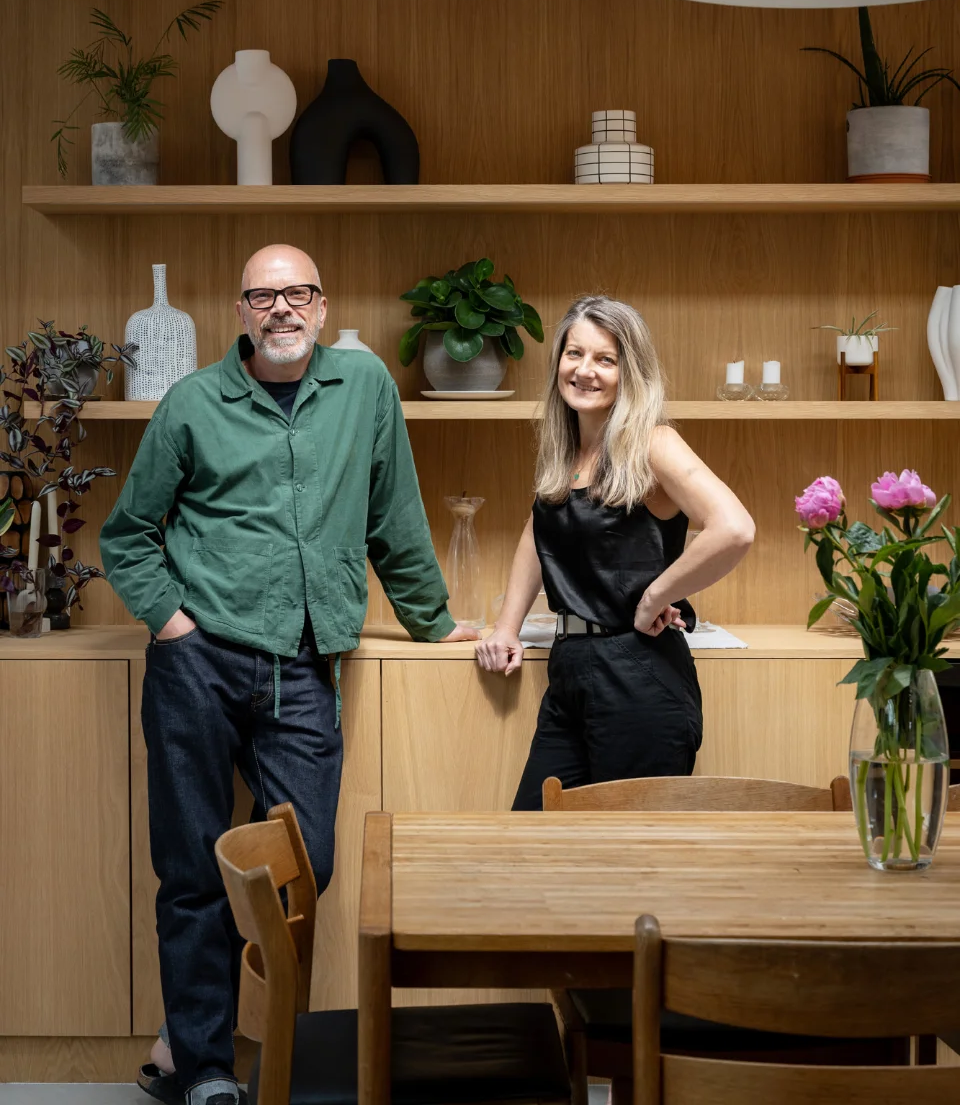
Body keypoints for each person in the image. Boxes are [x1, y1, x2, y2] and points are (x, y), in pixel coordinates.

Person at [101, 244, 477, 1105]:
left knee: (304, 869)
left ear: (321, 302)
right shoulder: (193, 402)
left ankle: (192, 1032)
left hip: (307, 663)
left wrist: (431, 620)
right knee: (193, 869)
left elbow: (395, 515)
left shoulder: (366, 389)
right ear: (240, 311)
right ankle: (204, 1068)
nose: (282, 309)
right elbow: (127, 535)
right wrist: (172, 623)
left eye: (298, 293)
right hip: (198, 662)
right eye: (263, 296)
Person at [476, 295, 754, 808]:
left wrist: (655, 598)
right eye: (574, 353)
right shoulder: (567, 451)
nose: (585, 370)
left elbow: (734, 528)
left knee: (628, 865)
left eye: (606, 359)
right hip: (571, 669)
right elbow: (537, 534)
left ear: (631, 372)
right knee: (535, 839)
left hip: (637, 673)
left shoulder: (653, 443)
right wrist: (506, 627)